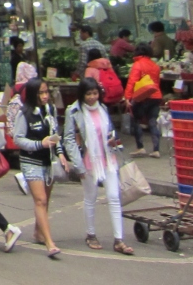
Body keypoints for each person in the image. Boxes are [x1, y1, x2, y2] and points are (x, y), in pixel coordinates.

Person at [64, 78, 134, 255]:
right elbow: (69, 140)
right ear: (82, 94)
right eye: (88, 94)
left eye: (95, 93)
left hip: (108, 159)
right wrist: (78, 165)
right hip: (88, 161)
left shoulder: (102, 108)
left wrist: (113, 140)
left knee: (114, 196)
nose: (92, 97)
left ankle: (119, 240)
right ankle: (91, 234)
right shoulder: (73, 111)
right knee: (90, 197)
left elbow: (110, 131)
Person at [12, 78, 62, 259]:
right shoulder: (24, 113)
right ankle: (50, 243)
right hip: (31, 161)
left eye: (46, 92)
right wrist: (39, 144)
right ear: (33, 94)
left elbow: (55, 134)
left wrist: (61, 154)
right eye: (41, 93)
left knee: (45, 200)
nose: (45, 96)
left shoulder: (50, 110)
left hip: (48, 161)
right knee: (40, 200)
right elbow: (18, 139)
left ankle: (38, 232)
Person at [125, 43, 163, 158]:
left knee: (136, 120)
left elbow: (132, 82)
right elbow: (157, 82)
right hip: (156, 96)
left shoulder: (137, 64)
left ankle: (140, 147)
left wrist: (127, 97)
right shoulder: (155, 65)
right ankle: (156, 150)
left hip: (142, 96)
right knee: (152, 122)